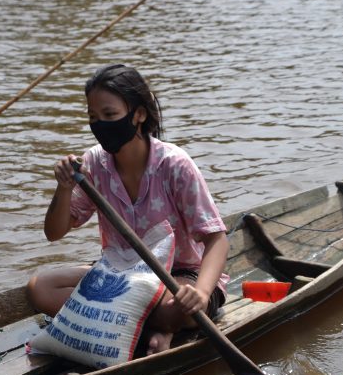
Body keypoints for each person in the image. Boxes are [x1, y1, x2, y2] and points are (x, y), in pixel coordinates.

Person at [26, 64, 229, 355]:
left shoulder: (174, 164)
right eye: (93, 117)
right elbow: (54, 232)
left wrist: (202, 293)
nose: (100, 124)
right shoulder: (94, 163)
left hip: (179, 276)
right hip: (122, 274)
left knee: (179, 309)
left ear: (139, 114)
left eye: (109, 115)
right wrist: (64, 187)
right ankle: (152, 331)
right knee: (40, 289)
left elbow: (217, 239)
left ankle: (150, 325)